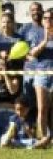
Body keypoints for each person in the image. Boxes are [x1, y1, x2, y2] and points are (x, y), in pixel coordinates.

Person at [27, 8, 53, 148]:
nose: (48, 20)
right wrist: (44, 41)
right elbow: (33, 53)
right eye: (45, 18)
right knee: (42, 108)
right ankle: (43, 137)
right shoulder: (37, 34)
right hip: (42, 74)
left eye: (50, 18)